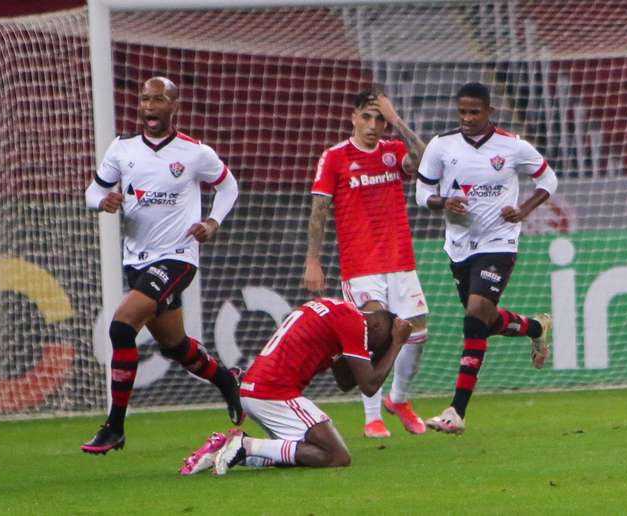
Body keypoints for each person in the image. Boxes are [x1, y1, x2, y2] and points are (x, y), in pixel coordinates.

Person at [81, 77, 242, 454]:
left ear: (174, 106)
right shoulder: (122, 149)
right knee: (175, 345)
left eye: (158, 100)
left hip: (178, 257)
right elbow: (94, 190)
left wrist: (213, 222)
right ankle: (226, 380)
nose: (149, 106)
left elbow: (228, 186)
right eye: (145, 99)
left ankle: (114, 427)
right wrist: (101, 202)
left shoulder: (194, 152)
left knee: (122, 327)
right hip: (136, 258)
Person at [415, 82, 558, 434]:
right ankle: (536, 327)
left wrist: (524, 209)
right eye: (462, 111)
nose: (466, 118)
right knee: (483, 319)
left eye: (474, 112)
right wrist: (441, 202)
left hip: (499, 241)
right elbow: (422, 192)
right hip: (459, 244)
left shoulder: (512, 146)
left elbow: (548, 178)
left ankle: (456, 411)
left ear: (489, 111)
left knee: (476, 312)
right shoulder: (441, 145)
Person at [303, 90, 430, 438]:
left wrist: (399, 121)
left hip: (400, 261)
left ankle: (399, 400)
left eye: (380, 119)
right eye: (367, 117)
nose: (373, 126)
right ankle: (371, 416)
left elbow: (425, 164)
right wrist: (313, 259)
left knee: (417, 335)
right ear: (353, 117)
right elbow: (319, 210)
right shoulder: (335, 157)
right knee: (374, 334)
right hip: (361, 266)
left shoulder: (394, 151)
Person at [178, 297, 413, 475]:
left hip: (256, 389)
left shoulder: (339, 312)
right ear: (378, 328)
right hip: (273, 392)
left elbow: (344, 383)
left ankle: (223, 449)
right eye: (377, 347)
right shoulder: (354, 324)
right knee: (337, 455)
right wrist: (397, 345)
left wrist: (380, 350)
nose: (372, 352)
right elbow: (370, 386)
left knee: (305, 454)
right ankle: (245, 445)